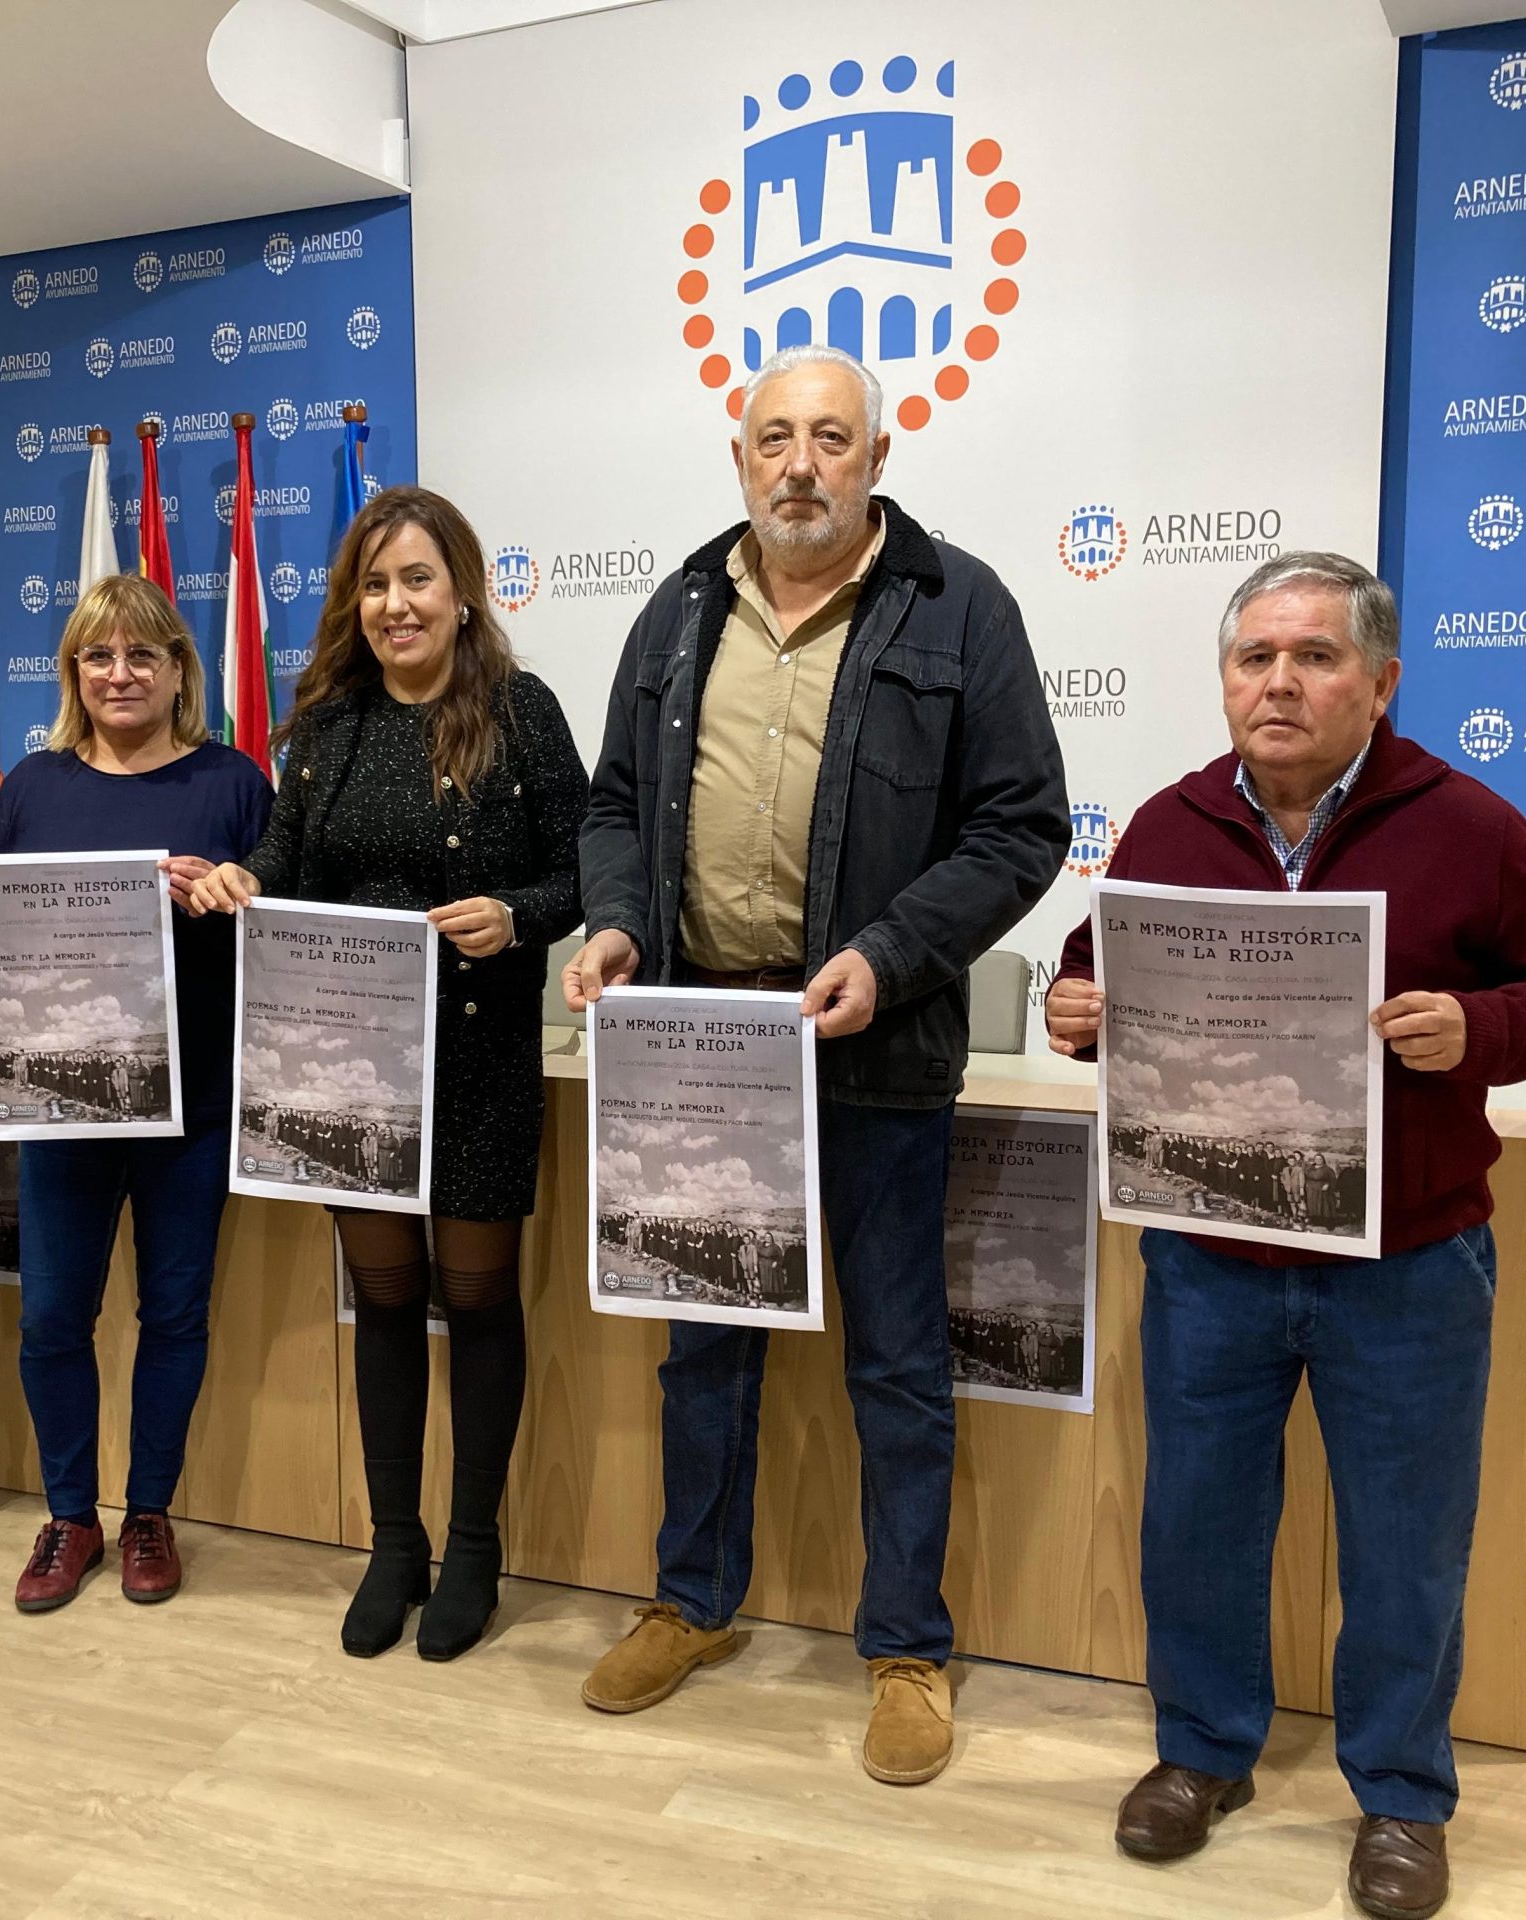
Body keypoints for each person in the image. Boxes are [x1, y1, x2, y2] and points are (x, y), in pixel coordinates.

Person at [1044, 551, 1526, 1920]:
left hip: (1408, 1267)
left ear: (1380, 679)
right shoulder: (1172, 824)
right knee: (1195, 1524)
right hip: (1209, 1258)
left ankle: (1403, 1798)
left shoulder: (1468, 824)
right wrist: (1079, 1004)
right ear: (1227, 677)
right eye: (1256, 658)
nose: (1279, 683)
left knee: (1407, 1544)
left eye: (1312, 658)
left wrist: (1476, 1031)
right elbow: (1096, 962)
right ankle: (1202, 1757)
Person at [562, 344, 1069, 1784]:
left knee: (899, 1365)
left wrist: (895, 955)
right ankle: (693, 1604)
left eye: (830, 439)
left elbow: (1023, 825)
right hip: (701, 1052)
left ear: (878, 456)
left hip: (876, 1048)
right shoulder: (676, 609)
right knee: (702, 1351)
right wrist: (611, 918)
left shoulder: (959, 607)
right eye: (774, 437)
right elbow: (612, 804)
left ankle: (908, 1646)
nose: (800, 464)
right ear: (740, 458)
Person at [191, 486, 589, 1662]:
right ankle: (394, 1543)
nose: (394, 605)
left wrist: (513, 915)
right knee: (381, 1296)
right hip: (344, 1059)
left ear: (461, 593)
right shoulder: (325, 725)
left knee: (472, 1299)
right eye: (373, 585)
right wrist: (239, 881)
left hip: (475, 1053)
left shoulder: (520, 714)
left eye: (416, 579)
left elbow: (584, 870)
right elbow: (280, 857)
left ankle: (474, 1545)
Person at [0, 574, 272, 1611]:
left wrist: (232, 895)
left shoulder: (234, 781)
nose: (120, 674)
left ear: (177, 671)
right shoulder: (30, 786)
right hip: (62, 1105)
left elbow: (277, 930)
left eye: (142, 655)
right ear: (73, 672)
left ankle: (149, 1513)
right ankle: (70, 1516)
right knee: (52, 1320)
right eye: (98, 657)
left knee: (174, 1313)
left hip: (193, 1104)